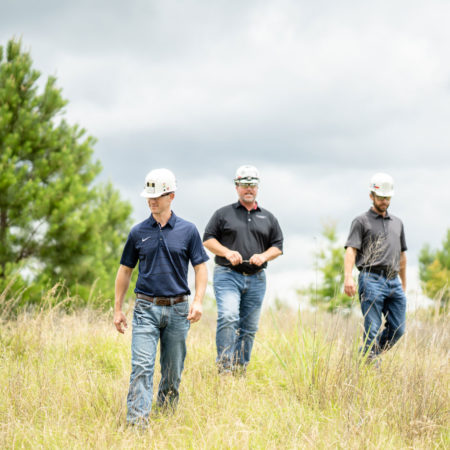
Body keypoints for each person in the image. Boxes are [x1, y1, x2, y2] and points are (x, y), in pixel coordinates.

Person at [113, 168, 208, 426]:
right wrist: (118, 309)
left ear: (171, 196)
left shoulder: (188, 231)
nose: (152, 200)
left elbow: (200, 268)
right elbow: (125, 271)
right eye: (149, 196)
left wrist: (198, 300)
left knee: (172, 372)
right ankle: (137, 424)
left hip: (179, 310)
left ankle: (166, 421)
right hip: (146, 308)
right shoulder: (137, 232)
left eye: (158, 196)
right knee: (142, 367)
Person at [203, 165, 283, 374]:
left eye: (253, 185)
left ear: (258, 188)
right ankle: (224, 368)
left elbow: (278, 247)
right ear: (237, 186)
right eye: (245, 185)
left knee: (249, 328)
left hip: (256, 278)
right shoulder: (223, 214)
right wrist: (227, 252)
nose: (249, 189)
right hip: (228, 275)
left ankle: (240, 369)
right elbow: (208, 240)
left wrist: (263, 256)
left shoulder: (268, 217)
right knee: (229, 316)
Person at [344, 173, 407, 363]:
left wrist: (403, 284)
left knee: (398, 328)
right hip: (370, 278)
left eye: (387, 198)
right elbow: (351, 250)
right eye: (381, 198)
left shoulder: (398, 223)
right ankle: (370, 365)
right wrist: (348, 277)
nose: (384, 202)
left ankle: (369, 355)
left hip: (393, 280)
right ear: (372, 196)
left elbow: (402, 255)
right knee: (372, 327)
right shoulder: (361, 221)